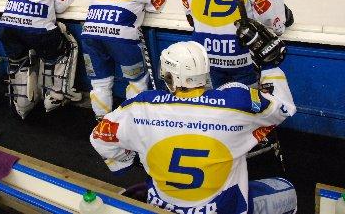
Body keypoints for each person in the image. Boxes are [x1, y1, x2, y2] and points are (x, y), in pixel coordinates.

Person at [90, 30, 297, 214]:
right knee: (286, 189)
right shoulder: (237, 101)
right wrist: (270, 67)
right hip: (225, 208)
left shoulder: (140, 106)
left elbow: (99, 136)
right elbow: (284, 108)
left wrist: (125, 160)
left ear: (170, 78)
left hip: (161, 205)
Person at [81, 0, 168, 119]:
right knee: (137, 81)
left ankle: (102, 123)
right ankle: (132, 121)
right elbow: (157, 5)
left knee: (100, 82)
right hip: (122, 34)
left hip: (90, 30)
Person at [0, 0, 80, 119]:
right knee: (63, 50)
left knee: (18, 61)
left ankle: (22, 103)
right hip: (39, 29)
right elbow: (62, 4)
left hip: (6, 25)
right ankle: (56, 95)